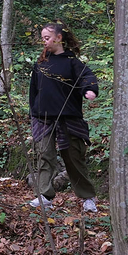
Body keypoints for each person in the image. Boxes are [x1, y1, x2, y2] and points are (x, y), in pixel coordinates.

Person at [27, 23, 99, 213]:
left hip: (69, 118)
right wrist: (34, 111)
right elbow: (33, 91)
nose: (44, 42)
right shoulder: (40, 64)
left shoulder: (72, 63)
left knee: (74, 158)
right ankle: (45, 195)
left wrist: (89, 90)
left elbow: (87, 77)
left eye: (47, 38)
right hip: (43, 118)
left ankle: (88, 198)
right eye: (42, 38)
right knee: (44, 156)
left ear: (59, 38)